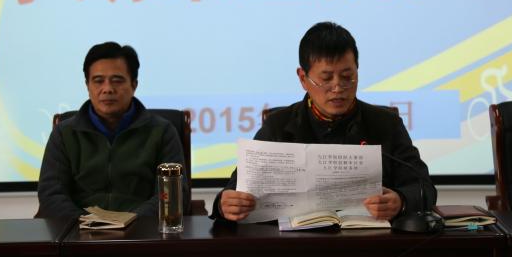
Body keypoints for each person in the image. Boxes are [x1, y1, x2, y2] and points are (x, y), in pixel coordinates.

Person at [214, 22, 436, 222]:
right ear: (303, 78)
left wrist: (400, 201)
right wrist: (225, 205)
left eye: (347, 76)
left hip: (370, 243)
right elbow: (233, 192)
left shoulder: (386, 124)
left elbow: (424, 188)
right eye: (326, 78)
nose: (338, 87)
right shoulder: (278, 127)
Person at [38, 42, 188, 217]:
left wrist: (132, 221)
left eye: (117, 81)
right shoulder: (64, 133)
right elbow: (51, 194)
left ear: (134, 85)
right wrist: (85, 223)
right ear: (87, 85)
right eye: (98, 81)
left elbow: (174, 195)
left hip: (141, 229)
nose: (107, 89)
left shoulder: (162, 131)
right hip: (80, 229)